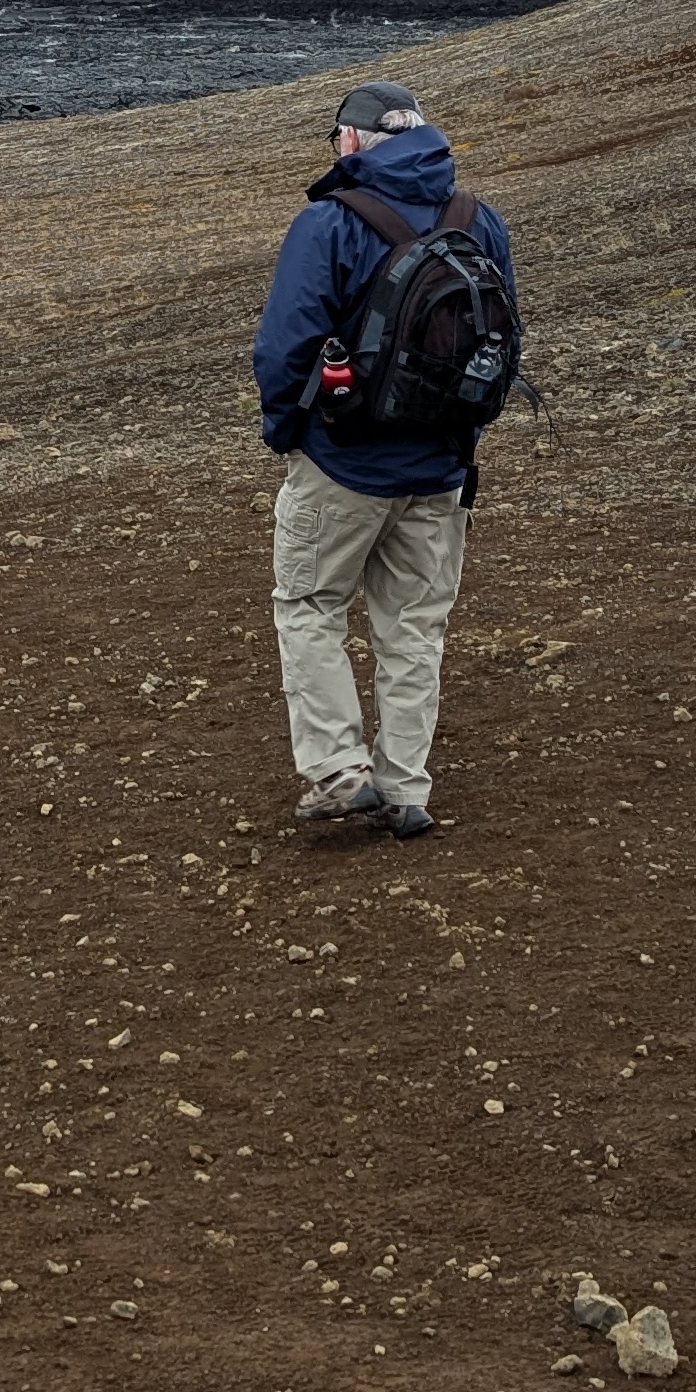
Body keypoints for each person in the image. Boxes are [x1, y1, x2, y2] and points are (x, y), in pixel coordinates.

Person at [251, 79, 516, 840]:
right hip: (441, 468)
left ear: (352, 143)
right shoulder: (479, 219)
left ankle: (339, 772)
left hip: (345, 461)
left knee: (309, 606)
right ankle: (404, 788)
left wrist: (289, 433)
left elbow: (284, 347)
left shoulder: (329, 223)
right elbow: (507, 342)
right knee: (413, 628)